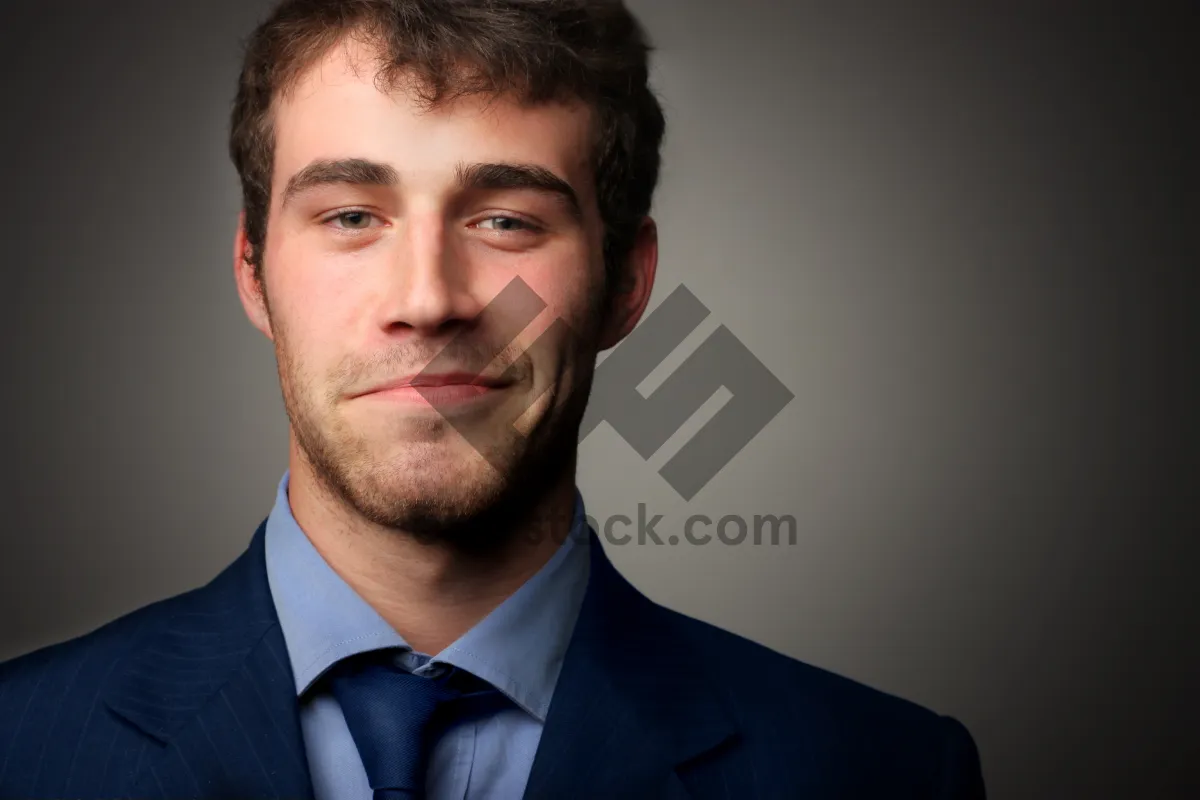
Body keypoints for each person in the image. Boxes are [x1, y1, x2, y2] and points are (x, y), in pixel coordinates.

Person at [0, 1, 986, 797]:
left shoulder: (883, 771)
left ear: (626, 283)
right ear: (253, 272)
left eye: (507, 220)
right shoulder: (20, 750)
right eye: (351, 215)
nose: (430, 298)